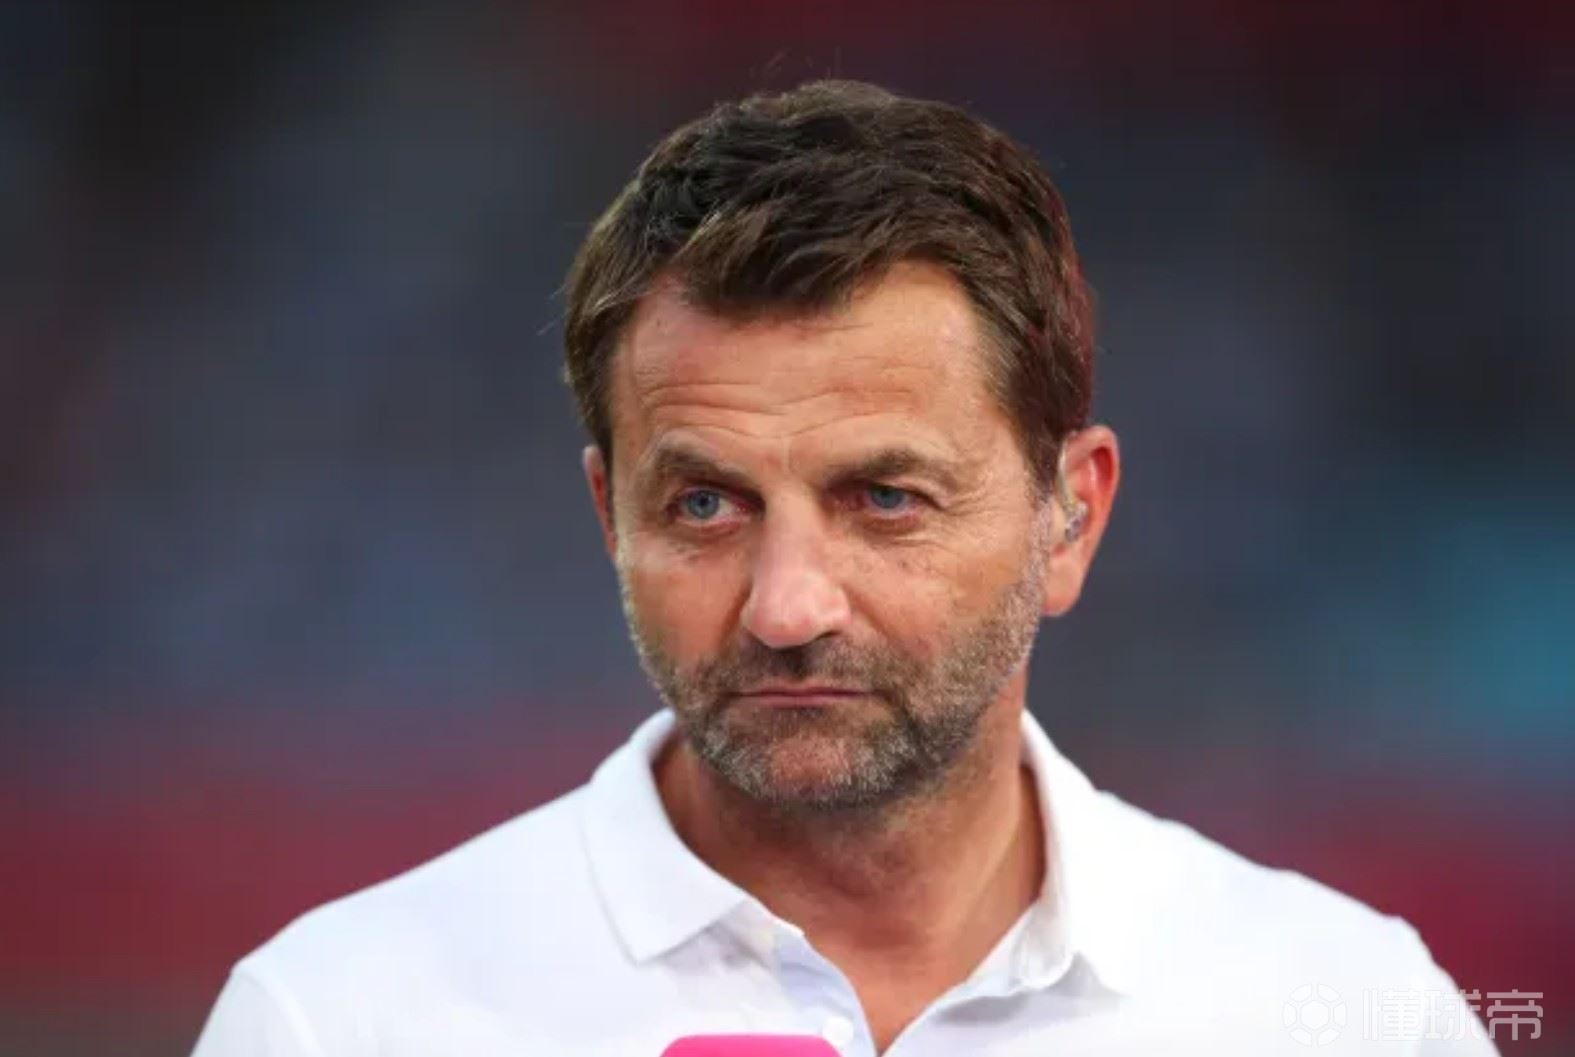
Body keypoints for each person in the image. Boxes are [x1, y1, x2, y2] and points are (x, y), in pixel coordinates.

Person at [192, 80, 1494, 1056]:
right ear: (608, 515)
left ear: (1071, 517)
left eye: (884, 499)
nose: (787, 606)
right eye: (705, 504)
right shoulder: (338, 1021)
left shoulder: (1349, 1010)